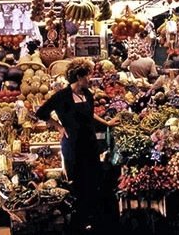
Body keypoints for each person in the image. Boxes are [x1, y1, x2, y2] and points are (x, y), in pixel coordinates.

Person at [35, 58, 119, 232]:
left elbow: (90, 115)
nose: (90, 78)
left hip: (89, 143)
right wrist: (59, 127)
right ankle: (78, 223)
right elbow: (41, 113)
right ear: (79, 76)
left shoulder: (87, 94)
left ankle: (93, 219)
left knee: (93, 180)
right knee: (78, 183)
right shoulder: (62, 96)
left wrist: (107, 123)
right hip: (73, 145)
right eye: (88, 75)